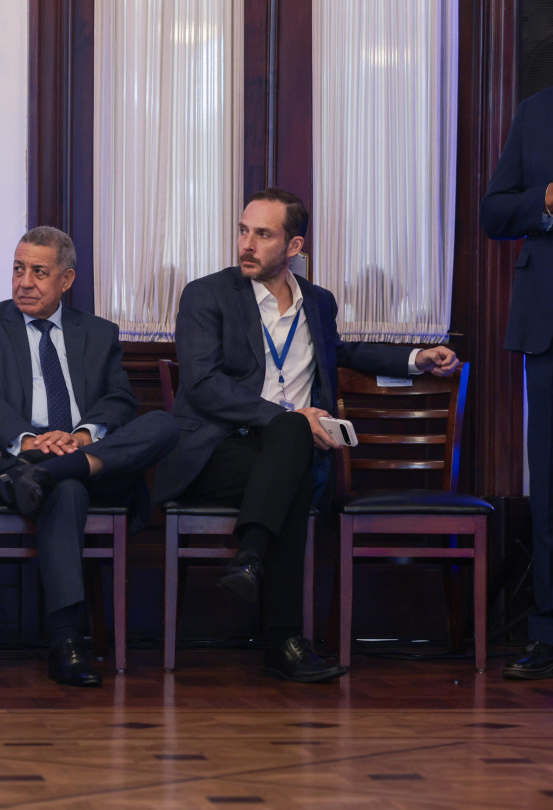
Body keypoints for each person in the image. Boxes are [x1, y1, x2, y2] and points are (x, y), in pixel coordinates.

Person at [152, 188, 460, 683]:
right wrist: (289, 416)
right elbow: (204, 385)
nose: (246, 244)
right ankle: (284, 641)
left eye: (263, 234)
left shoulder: (317, 302)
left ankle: (251, 562)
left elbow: (343, 352)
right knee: (294, 444)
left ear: (293, 246)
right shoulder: (206, 295)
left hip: (282, 456)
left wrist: (416, 358)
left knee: (292, 456)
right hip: (215, 454)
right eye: (243, 231)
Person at [0, 226, 179, 686]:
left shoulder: (98, 332)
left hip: (84, 455)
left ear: (66, 279)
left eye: (39, 272)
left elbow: (120, 401)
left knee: (165, 423)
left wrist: (80, 437)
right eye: (18, 269)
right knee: (68, 488)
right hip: (15, 462)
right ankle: (66, 641)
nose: (24, 282)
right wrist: (28, 442)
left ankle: (58, 469)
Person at [481, 86, 553, 680]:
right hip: (548, 328)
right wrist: (546, 199)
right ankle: (548, 633)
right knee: (549, 489)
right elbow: (495, 214)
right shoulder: (536, 111)